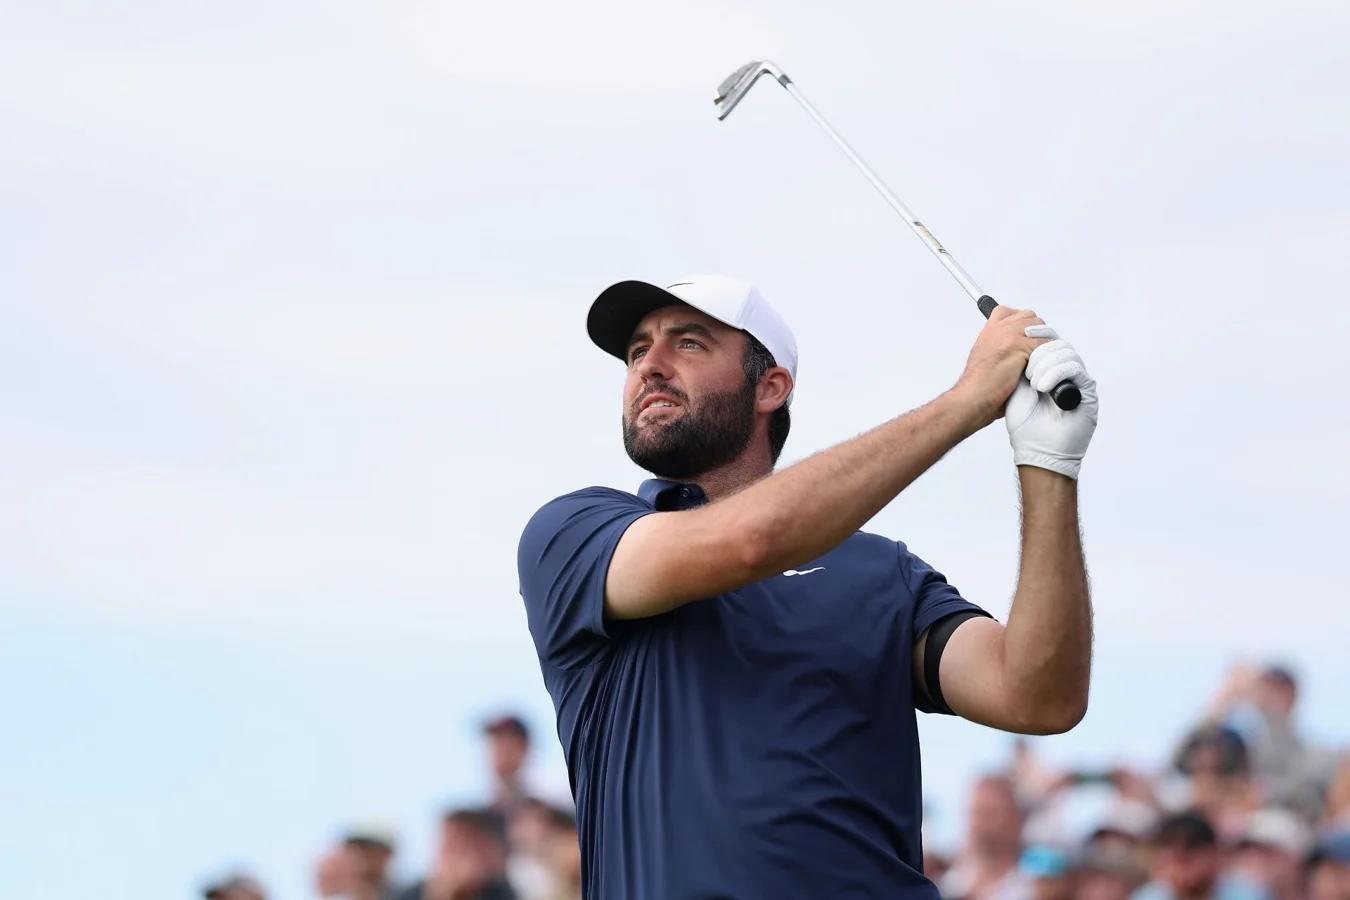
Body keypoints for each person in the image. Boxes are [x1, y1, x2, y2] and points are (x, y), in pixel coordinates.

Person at [516, 274, 1100, 896]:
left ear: (770, 387)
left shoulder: (881, 571)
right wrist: (968, 400)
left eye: (687, 343)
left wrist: (1049, 464)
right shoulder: (576, 533)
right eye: (638, 351)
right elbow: (753, 540)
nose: (649, 366)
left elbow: (1038, 698)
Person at [941, 775, 1032, 900]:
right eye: (975, 812)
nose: (978, 823)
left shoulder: (1034, 889)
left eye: (989, 813)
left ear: (1017, 820)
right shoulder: (949, 885)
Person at [395, 808, 516, 900]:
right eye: (445, 843)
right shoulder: (410, 894)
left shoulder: (502, 893)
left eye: (457, 846)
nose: (447, 853)